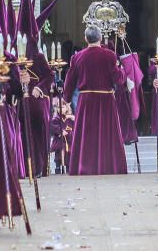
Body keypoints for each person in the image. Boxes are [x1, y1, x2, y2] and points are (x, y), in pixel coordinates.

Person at [62, 26, 128, 175]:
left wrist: (66, 99)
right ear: (99, 38)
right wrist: (122, 70)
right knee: (107, 133)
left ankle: (84, 167)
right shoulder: (110, 55)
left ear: (86, 39)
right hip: (106, 100)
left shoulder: (77, 57)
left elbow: (69, 81)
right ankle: (109, 166)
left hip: (86, 101)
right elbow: (118, 79)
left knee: (87, 134)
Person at [50, 97, 74, 174]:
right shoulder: (56, 118)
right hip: (59, 139)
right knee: (58, 153)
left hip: (69, 140)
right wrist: (60, 131)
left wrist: (72, 117)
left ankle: (68, 167)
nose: (61, 109)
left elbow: (75, 125)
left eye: (63, 107)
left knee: (69, 153)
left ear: (66, 108)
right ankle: (57, 167)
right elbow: (53, 126)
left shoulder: (69, 118)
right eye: (59, 107)